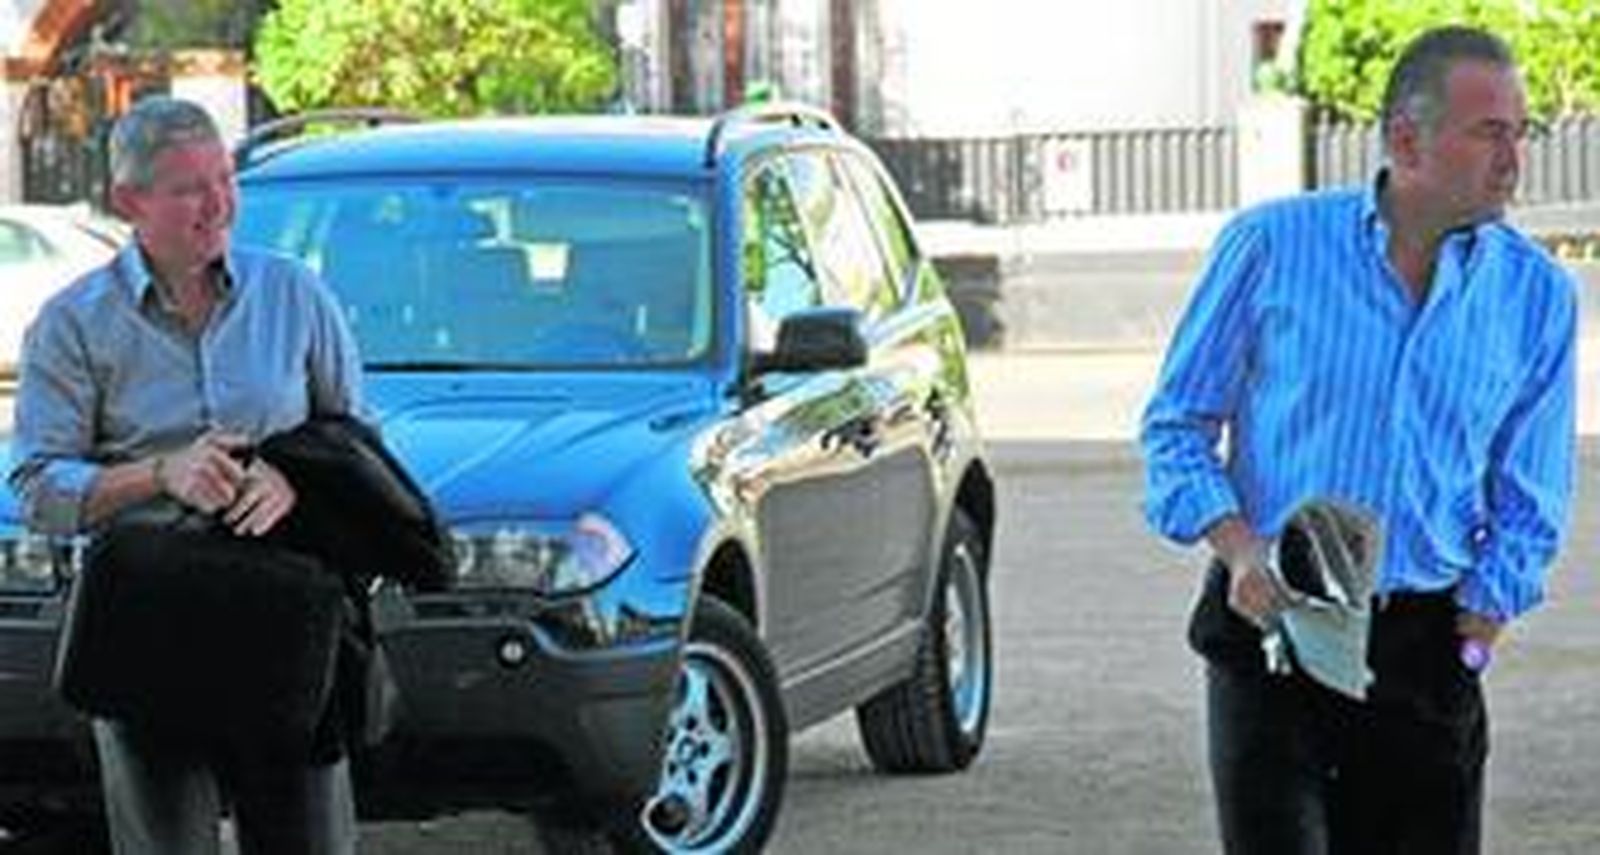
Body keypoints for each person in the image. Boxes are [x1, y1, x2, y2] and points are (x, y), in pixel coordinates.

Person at [1140, 25, 1575, 855]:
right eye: (1490, 133)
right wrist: (1238, 548)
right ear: (1406, 139)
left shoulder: (1536, 296)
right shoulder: (1271, 246)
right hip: (1273, 631)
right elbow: (1176, 427)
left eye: (1521, 133)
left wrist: (1485, 615)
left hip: (1426, 649)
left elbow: (1532, 487)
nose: (1513, 159)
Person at [9, 96, 363, 853]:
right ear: (129, 201)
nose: (218, 203)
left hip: (286, 614)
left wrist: (296, 480)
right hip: (145, 624)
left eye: (225, 178)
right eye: (190, 187)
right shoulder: (72, 324)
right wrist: (160, 475)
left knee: (310, 839)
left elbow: (358, 443)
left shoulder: (294, 294)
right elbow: (37, 487)